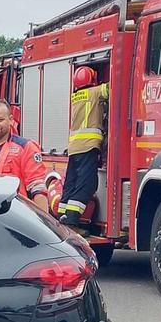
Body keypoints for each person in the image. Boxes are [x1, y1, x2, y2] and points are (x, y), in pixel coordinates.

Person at [59, 66, 109, 226]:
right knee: (87, 185)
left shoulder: (75, 96)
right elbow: (113, 88)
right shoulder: (95, 92)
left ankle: (60, 217)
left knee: (71, 183)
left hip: (74, 147)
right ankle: (72, 221)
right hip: (88, 146)